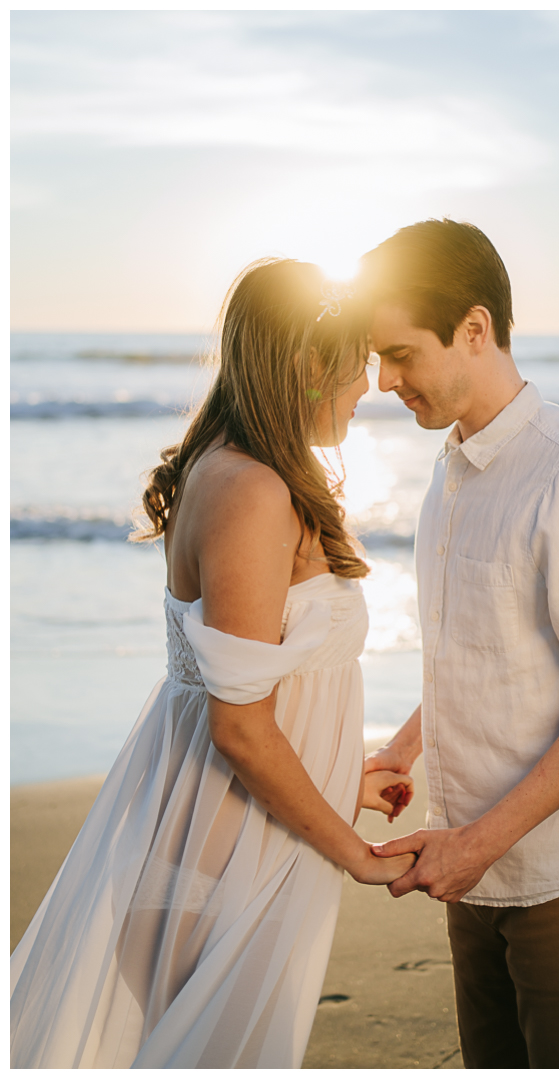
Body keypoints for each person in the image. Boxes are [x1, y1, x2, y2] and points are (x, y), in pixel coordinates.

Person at [10, 258, 416, 1069]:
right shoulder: (253, 492)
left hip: (208, 849)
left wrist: (342, 780)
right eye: (356, 365)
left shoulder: (230, 471)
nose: (367, 388)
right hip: (225, 869)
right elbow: (238, 728)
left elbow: (244, 699)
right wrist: (355, 854)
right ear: (306, 366)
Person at [360, 219, 559, 1069]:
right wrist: (402, 749)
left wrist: (476, 844)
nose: (383, 381)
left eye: (399, 354)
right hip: (469, 859)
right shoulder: (450, 467)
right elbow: (478, 650)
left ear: (474, 329)